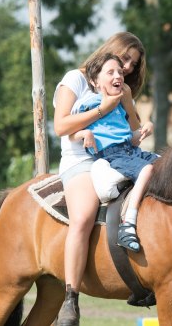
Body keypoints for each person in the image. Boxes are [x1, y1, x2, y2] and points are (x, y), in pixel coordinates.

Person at [52, 32, 149, 326]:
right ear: (110, 51)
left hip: (116, 156)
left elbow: (133, 129)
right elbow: (60, 126)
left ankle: (146, 278)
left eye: (133, 64)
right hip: (81, 160)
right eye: (125, 59)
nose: (129, 68)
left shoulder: (121, 87)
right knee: (82, 216)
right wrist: (101, 109)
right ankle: (71, 297)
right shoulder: (76, 80)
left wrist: (129, 107)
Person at [76, 52, 158, 254]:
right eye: (110, 72)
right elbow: (71, 132)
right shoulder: (91, 103)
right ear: (95, 81)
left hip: (130, 151)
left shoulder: (119, 107)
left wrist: (144, 129)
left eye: (120, 72)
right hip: (112, 155)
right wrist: (84, 132)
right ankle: (128, 223)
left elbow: (126, 138)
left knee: (167, 164)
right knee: (148, 170)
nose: (118, 76)